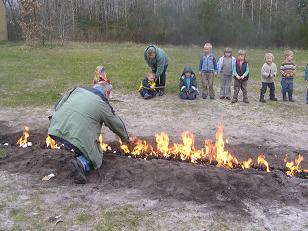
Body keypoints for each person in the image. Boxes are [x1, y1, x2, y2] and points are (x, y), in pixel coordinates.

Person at [48, 66, 133, 184]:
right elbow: (116, 124)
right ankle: (81, 164)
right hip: (75, 135)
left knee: (76, 136)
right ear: (106, 92)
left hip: (55, 128)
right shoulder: (102, 104)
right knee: (97, 156)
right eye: (109, 94)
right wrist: (126, 139)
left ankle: (72, 147)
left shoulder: (77, 89)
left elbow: (58, 106)